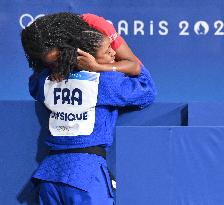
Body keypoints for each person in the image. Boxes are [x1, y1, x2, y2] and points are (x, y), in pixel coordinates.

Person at [21, 12, 156, 205]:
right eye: (108, 51)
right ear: (87, 55)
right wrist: (103, 67)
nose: (112, 54)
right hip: (86, 176)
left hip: (49, 176)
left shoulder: (44, 80)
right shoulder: (105, 82)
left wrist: (59, 67)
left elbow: (33, 83)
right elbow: (147, 89)